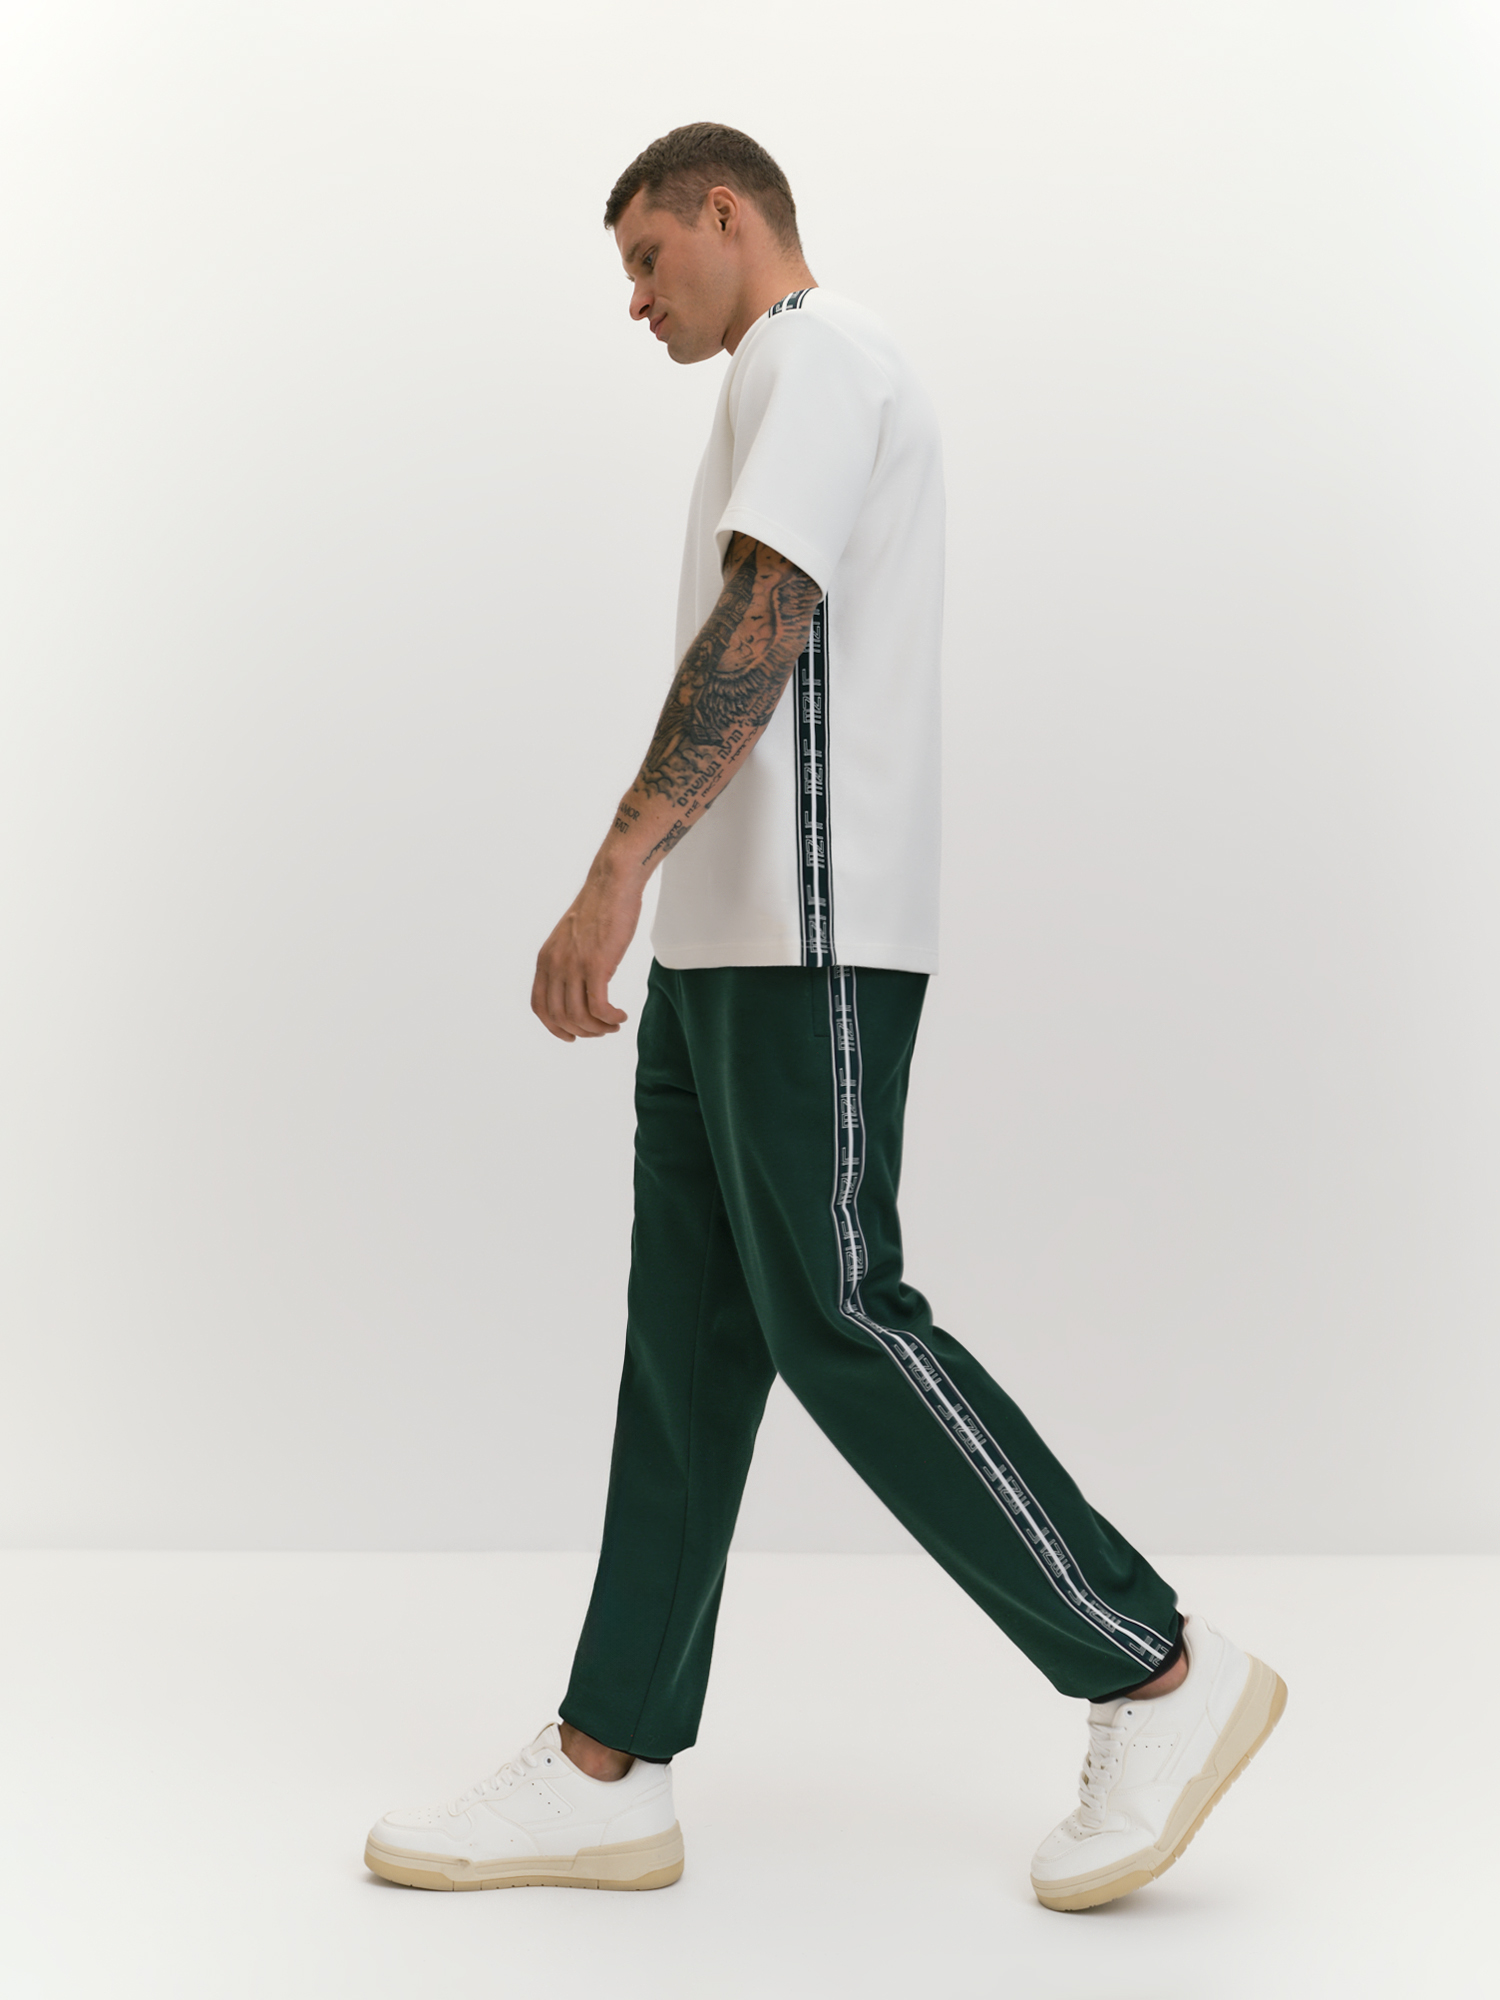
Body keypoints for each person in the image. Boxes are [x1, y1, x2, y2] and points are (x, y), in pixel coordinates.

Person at [363, 122, 1285, 1911]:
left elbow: (767, 612)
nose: (637, 303)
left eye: (649, 258)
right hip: (726, 954)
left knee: (840, 1314)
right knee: (689, 1349)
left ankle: (1156, 1670)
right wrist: (661, 901)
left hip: (809, 932)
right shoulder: (774, 376)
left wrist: (615, 865)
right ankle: (607, 1767)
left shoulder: (820, 351)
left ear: (730, 212)